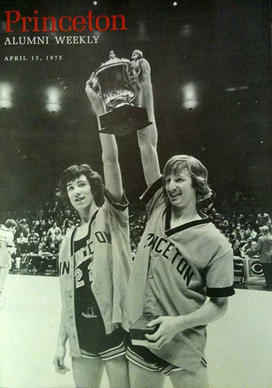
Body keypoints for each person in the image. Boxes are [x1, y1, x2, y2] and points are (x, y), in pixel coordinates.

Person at [123, 57, 235, 388]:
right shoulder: (158, 205)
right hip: (142, 334)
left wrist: (177, 323)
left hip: (183, 343)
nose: (170, 185)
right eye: (169, 178)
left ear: (197, 187)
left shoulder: (216, 242)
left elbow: (219, 306)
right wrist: (146, 85)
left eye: (179, 180)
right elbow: (147, 142)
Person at [53, 75, 131, 388]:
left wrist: (99, 108)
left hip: (113, 326)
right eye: (70, 187)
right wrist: (61, 340)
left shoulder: (112, 215)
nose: (76, 191)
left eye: (82, 184)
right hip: (81, 335)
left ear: (93, 186)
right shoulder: (68, 239)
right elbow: (67, 296)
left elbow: (110, 159)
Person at [0, 219, 17, 305]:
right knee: (3, 277)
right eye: (14, 228)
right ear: (11, 227)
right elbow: (10, 248)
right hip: (4, 257)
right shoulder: (10, 234)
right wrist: (14, 250)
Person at [257, 225, 272, 290]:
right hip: (271, 255)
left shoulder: (261, 238)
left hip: (264, 257)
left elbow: (258, 248)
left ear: (263, 231)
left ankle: (268, 285)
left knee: (266, 272)